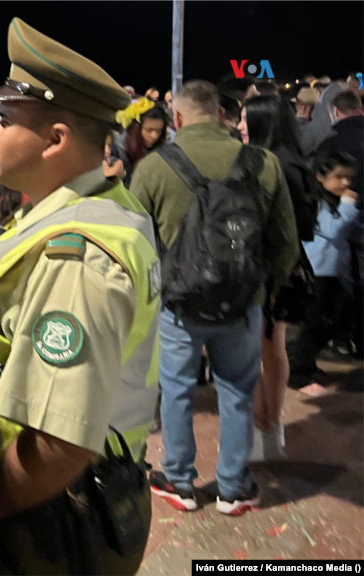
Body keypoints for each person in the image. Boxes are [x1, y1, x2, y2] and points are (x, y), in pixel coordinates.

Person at [0, 18, 159, 576]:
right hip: (58, 502)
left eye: (5, 120)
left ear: (56, 139)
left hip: (56, 514)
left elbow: (62, 441)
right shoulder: (76, 210)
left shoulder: (76, 256)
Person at [131, 80, 298, 515]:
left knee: (178, 388)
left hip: (179, 304)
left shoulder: (153, 167)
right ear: (223, 114)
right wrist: (262, 288)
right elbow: (285, 243)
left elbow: (132, 244)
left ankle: (179, 481)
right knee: (238, 390)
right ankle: (233, 486)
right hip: (243, 302)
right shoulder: (262, 164)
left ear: (178, 119)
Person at [237, 95, 319, 460]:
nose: (239, 125)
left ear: (261, 124)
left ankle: (262, 428)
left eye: (244, 119)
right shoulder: (296, 163)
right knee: (274, 347)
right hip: (290, 266)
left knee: (252, 350)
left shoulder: (266, 165)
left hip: (264, 268)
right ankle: (272, 429)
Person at [290, 152, 358, 386]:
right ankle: (298, 373)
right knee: (313, 325)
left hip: (335, 274)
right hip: (317, 274)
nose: (346, 183)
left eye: (349, 177)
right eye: (339, 177)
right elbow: (333, 230)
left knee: (337, 318)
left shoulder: (334, 202)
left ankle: (307, 365)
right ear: (320, 177)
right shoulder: (315, 203)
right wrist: (349, 205)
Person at [113, 98, 169, 187]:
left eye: (159, 131)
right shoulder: (118, 149)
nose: (154, 136)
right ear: (136, 128)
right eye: (149, 130)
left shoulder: (164, 149)